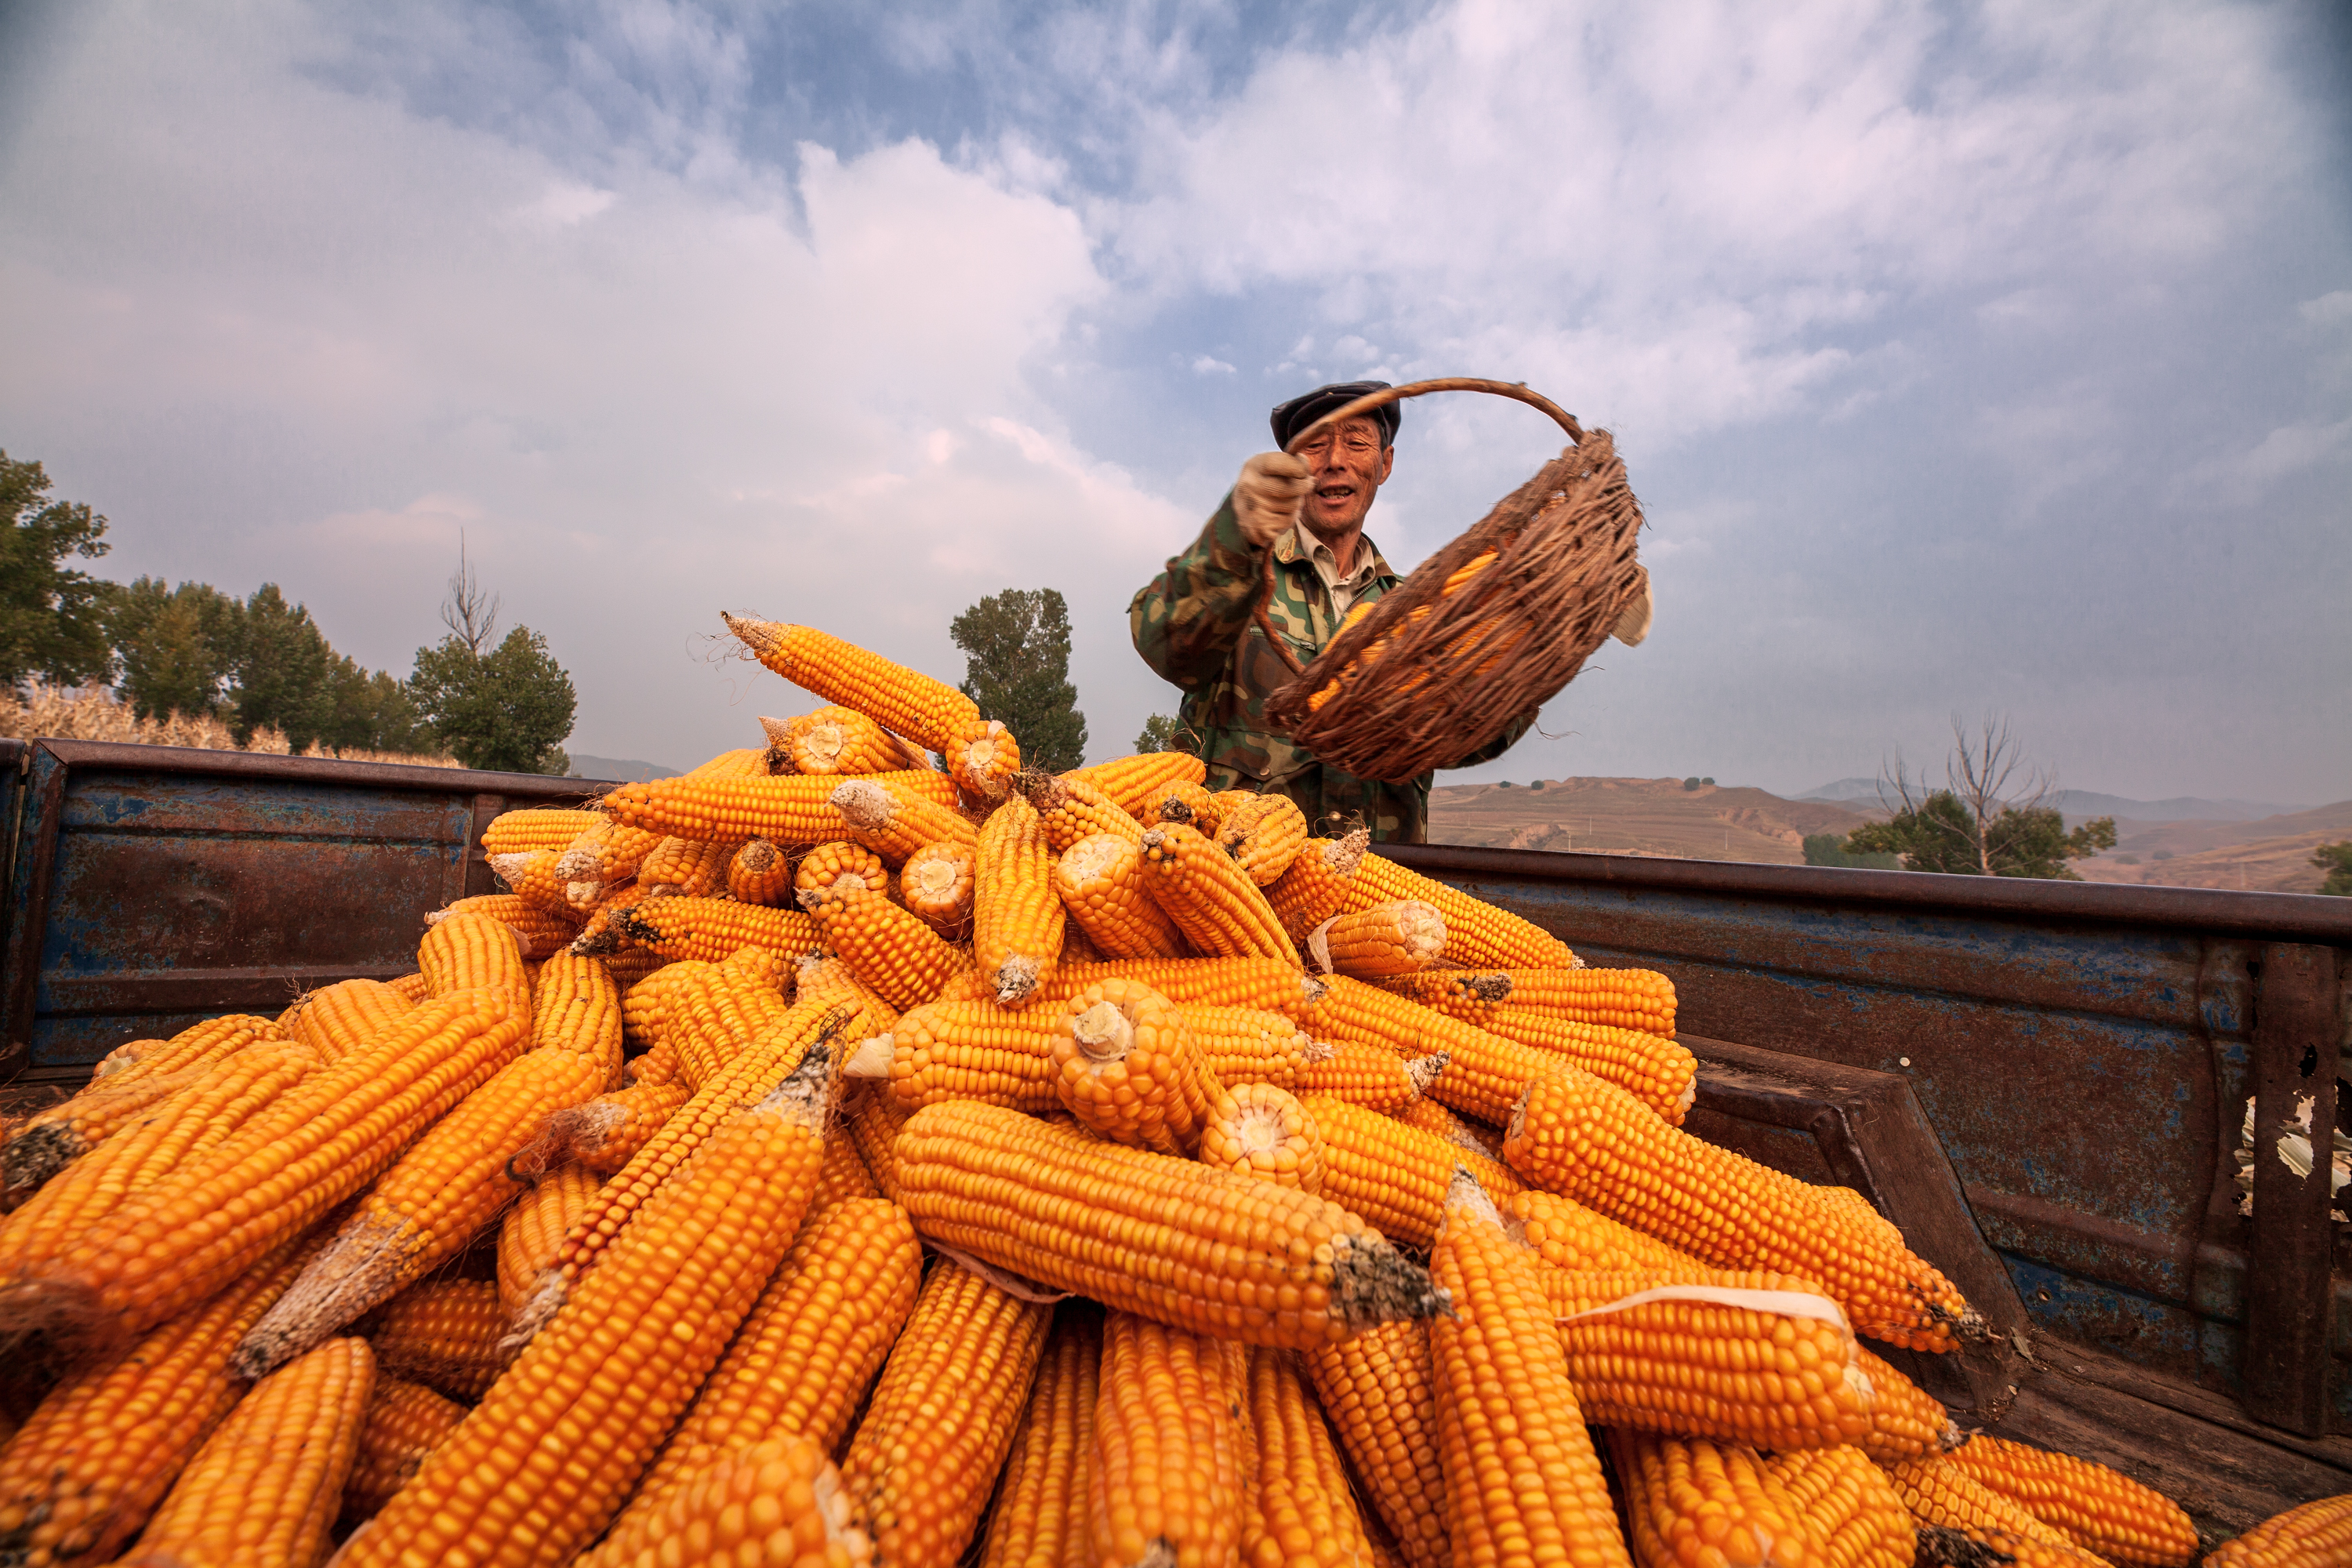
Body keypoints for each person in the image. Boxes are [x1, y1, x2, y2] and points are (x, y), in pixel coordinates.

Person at [1130, 379, 1651, 843]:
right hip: (1233, 892)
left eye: (1356, 442)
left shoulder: (1429, 611)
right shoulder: (1240, 579)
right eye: (1315, 444)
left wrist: (1565, 625)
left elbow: (1470, 736)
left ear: (1385, 464)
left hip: (1382, 903)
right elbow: (1165, 643)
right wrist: (1233, 535)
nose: (1335, 459)